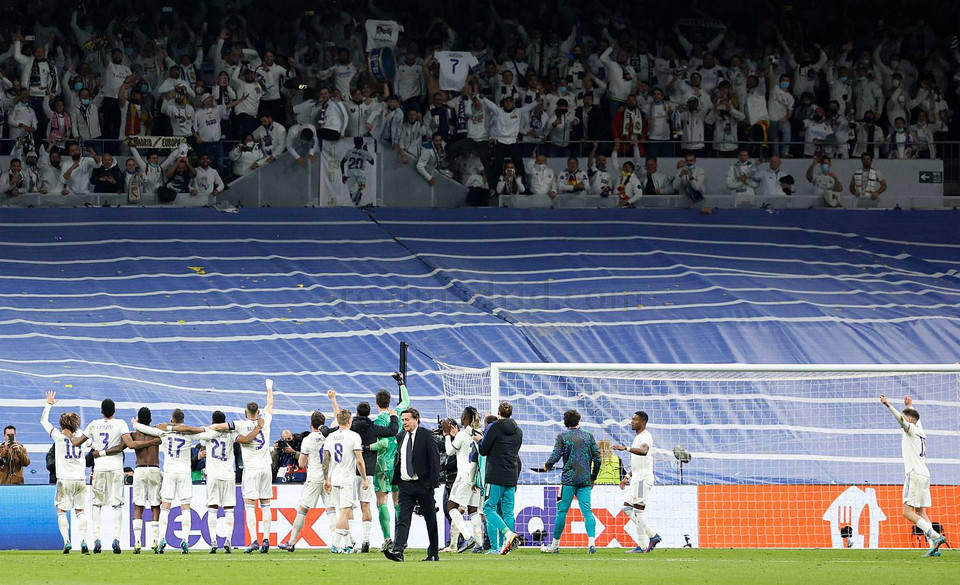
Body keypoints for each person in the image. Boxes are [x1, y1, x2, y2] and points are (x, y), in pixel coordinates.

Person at [327, 389, 399, 553]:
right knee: (366, 506)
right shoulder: (374, 428)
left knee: (348, 508)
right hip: (369, 473)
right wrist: (394, 416)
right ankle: (366, 540)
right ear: (370, 412)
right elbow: (393, 431)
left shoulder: (350, 430)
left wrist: (325, 427)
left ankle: (350, 541)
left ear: (356, 413)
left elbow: (331, 429)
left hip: (351, 474)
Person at [67, 398, 141, 554]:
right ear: (114, 411)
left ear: (101, 411)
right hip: (115, 467)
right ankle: (116, 539)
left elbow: (77, 442)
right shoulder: (120, 423)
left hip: (99, 467)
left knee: (96, 504)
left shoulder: (94, 424)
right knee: (117, 504)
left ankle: (96, 539)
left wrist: (68, 434)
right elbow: (127, 443)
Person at [208, 379, 274, 553]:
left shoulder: (240, 425)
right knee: (266, 503)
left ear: (246, 412)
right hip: (266, 467)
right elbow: (271, 402)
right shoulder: (265, 419)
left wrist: (209, 428)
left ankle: (254, 540)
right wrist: (269, 387)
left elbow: (220, 426)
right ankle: (266, 539)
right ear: (258, 411)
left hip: (251, 469)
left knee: (250, 504)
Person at [879, 394, 947, 557]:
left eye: (905, 416)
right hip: (925, 474)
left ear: (908, 420)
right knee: (921, 511)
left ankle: (935, 536)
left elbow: (902, 421)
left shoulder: (910, 429)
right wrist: (910, 405)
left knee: (907, 512)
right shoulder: (921, 430)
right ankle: (934, 548)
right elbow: (912, 418)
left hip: (914, 473)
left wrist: (888, 405)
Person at [132, 409, 203, 554]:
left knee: (165, 507)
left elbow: (144, 428)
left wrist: (134, 423)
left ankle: (162, 538)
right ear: (183, 421)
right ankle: (185, 540)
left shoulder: (164, 432)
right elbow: (206, 434)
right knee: (185, 507)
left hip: (170, 472)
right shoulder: (189, 434)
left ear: (172, 420)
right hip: (184, 472)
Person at [192, 410, 262, 553]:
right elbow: (246, 439)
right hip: (228, 475)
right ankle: (228, 541)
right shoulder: (232, 434)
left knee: (212, 508)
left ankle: (213, 541)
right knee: (229, 509)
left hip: (212, 475)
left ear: (213, 421)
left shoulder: (208, 433)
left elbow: (197, 437)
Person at [538, 409, 601, 554]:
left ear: (565, 422)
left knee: (561, 511)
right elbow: (598, 458)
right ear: (579, 420)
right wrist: (593, 477)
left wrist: (547, 465)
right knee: (587, 512)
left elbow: (556, 455)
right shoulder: (588, 436)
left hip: (568, 480)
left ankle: (554, 545)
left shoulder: (563, 437)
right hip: (584, 480)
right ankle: (591, 543)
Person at [383, 408, 441, 562]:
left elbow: (435, 460)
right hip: (405, 484)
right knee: (403, 518)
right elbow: (400, 458)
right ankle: (398, 551)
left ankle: (433, 552)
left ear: (416, 419)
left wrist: (432, 484)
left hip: (423, 485)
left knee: (430, 519)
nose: (404, 423)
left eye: (407, 419)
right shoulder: (401, 435)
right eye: (402, 420)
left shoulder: (427, 435)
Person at [40, 391, 89, 553]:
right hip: (81, 479)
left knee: (62, 511)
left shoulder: (59, 437)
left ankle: (67, 541)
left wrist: (49, 404)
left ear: (62, 425)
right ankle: (82, 540)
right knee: (80, 511)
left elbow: (43, 421)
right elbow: (93, 446)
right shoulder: (82, 436)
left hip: (64, 479)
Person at [475, 401, 523, 555]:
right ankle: (506, 547)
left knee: (489, 508)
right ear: (511, 413)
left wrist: (479, 441)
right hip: (511, 474)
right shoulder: (518, 431)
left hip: (495, 474)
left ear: (499, 412)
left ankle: (504, 538)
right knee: (508, 512)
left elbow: (483, 450)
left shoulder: (493, 427)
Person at [370, 372, 411, 552]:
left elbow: (383, 442)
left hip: (382, 464)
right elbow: (407, 402)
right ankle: (401, 539)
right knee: (397, 502)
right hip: (398, 463)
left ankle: (387, 538)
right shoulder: (399, 413)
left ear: (377, 403)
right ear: (389, 401)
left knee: (381, 502)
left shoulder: (378, 420)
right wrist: (401, 383)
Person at [278, 411, 327, 552]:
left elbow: (301, 463)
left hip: (314, 477)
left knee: (303, 510)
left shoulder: (308, 439)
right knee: (332, 510)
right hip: (328, 478)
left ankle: (291, 542)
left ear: (311, 424)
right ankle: (340, 544)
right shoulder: (329, 437)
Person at [613, 411, 661, 553]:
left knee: (639, 511)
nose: (632, 422)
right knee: (627, 508)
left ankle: (642, 545)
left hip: (642, 480)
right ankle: (653, 535)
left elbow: (644, 451)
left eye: (635, 420)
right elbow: (640, 464)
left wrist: (625, 448)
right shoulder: (638, 437)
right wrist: (627, 476)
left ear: (642, 422)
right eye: (632, 419)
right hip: (636, 479)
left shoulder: (645, 437)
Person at [322, 408, 366, 554]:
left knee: (343, 513)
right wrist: (364, 479)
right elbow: (359, 460)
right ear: (349, 421)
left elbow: (325, 460)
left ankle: (349, 545)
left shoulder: (330, 437)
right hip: (348, 480)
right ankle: (335, 544)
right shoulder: (354, 436)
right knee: (344, 513)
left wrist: (326, 479)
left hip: (334, 478)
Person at [442, 407, 484, 553]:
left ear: (465, 418)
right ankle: (479, 543)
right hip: (477, 476)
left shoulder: (461, 434)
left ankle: (468, 537)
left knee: (451, 507)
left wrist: (447, 435)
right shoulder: (479, 433)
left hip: (464, 476)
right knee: (473, 510)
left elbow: (449, 451)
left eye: (462, 416)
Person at [128, 407, 163, 554]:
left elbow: (126, 445)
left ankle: (137, 541)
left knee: (138, 506)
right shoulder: (157, 434)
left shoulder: (134, 435)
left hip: (140, 469)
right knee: (155, 506)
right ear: (150, 419)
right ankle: (155, 540)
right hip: (154, 469)